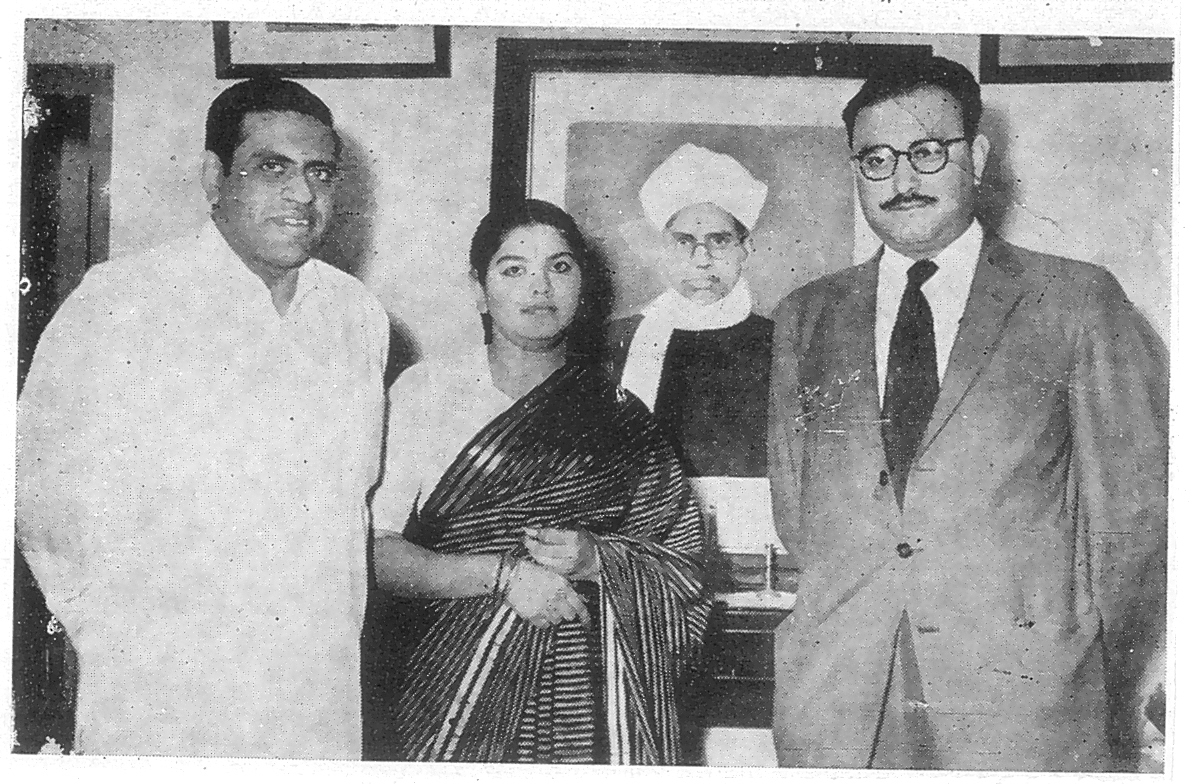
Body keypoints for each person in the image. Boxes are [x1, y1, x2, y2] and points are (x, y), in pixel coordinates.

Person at [767, 57, 1167, 771]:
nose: (901, 180)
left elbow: (1131, 521)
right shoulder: (806, 316)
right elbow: (798, 513)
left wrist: (1078, 669)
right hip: (842, 700)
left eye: (926, 152)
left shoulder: (1074, 300)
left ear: (976, 157)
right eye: (876, 159)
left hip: (1020, 698)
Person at [15, 79, 389, 758]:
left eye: (319, 172)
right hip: (163, 696)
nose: (302, 196)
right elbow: (41, 499)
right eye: (272, 167)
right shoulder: (122, 303)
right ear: (214, 177)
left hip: (313, 694)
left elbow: (351, 503)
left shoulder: (356, 316)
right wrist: (114, 639)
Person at [369, 199, 710, 764]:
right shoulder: (426, 392)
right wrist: (504, 576)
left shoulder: (623, 415)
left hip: (592, 699)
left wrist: (601, 560)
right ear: (479, 289)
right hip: (448, 683)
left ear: (583, 285)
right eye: (513, 269)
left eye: (559, 267)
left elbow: (685, 570)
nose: (539, 288)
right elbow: (372, 555)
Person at [608, 144, 773, 478]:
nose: (701, 260)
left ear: (746, 247)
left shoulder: (781, 342)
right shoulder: (617, 341)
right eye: (684, 242)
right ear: (662, 250)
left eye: (719, 241)